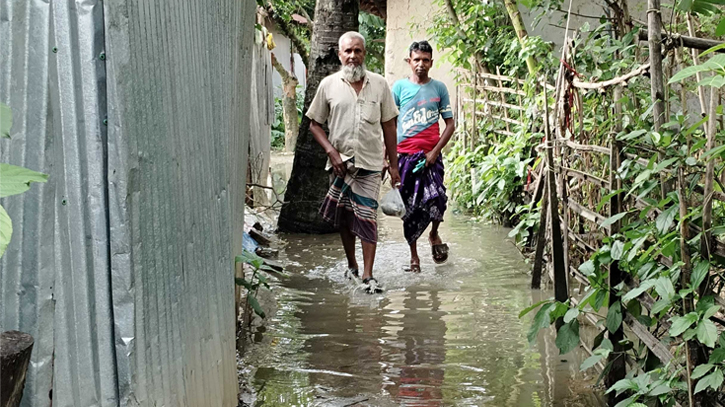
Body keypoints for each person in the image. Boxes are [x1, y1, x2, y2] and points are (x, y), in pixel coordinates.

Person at [306, 31, 401, 293]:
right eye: (348, 51)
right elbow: (314, 124)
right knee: (346, 219)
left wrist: (393, 166)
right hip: (339, 165)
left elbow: (389, 126)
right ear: (339, 55)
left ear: (364, 54)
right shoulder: (328, 85)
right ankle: (352, 265)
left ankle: (369, 276)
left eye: (358, 51)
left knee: (368, 217)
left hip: (370, 165)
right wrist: (331, 153)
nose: (353, 56)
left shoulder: (380, 85)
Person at [391, 40, 455, 273]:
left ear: (431, 62)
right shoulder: (398, 88)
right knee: (410, 208)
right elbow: (389, 123)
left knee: (438, 199)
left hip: (431, 158)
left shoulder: (439, 89)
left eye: (425, 60)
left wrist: (434, 152)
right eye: (416, 59)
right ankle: (414, 258)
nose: (420, 64)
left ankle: (434, 234)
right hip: (405, 157)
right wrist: (388, 160)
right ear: (409, 61)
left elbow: (450, 125)